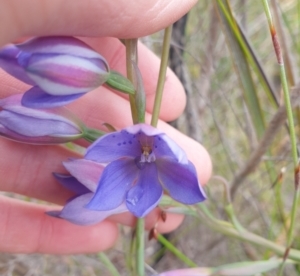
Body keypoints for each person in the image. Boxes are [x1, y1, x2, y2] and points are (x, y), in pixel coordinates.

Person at [0, 0, 212, 254]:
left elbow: (187, 187)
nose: (147, 151)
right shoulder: (111, 142)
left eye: (149, 147)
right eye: (146, 147)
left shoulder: (168, 172)